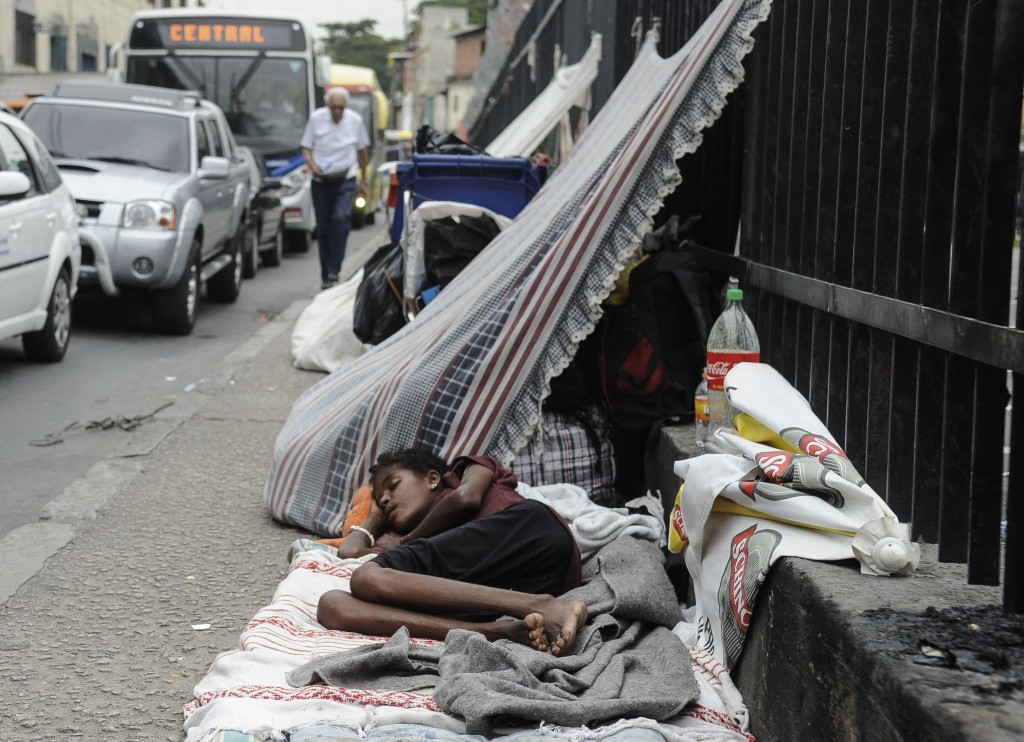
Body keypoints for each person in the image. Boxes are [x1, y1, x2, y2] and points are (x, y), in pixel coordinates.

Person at [317, 449, 588, 656]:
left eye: (393, 484)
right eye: (379, 498)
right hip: (513, 588)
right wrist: (375, 517)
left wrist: (407, 540)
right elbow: (350, 552)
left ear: (433, 479)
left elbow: (465, 497)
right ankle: (500, 632)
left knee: (367, 578)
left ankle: (541, 605)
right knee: (333, 606)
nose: (385, 499)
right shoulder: (421, 545)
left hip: (532, 534)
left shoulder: (464, 473)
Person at [300, 87, 370, 289]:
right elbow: (306, 147)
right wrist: (312, 166)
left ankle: (334, 270)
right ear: (327, 106)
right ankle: (326, 274)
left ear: (346, 107)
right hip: (321, 179)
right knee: (323, 227)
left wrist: (363, 181)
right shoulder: (316, 119)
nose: (337, 112)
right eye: (334, 108)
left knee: (340, 219)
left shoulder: (355, 121)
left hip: (345, 178)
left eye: (341, 108)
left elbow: (362, 152)